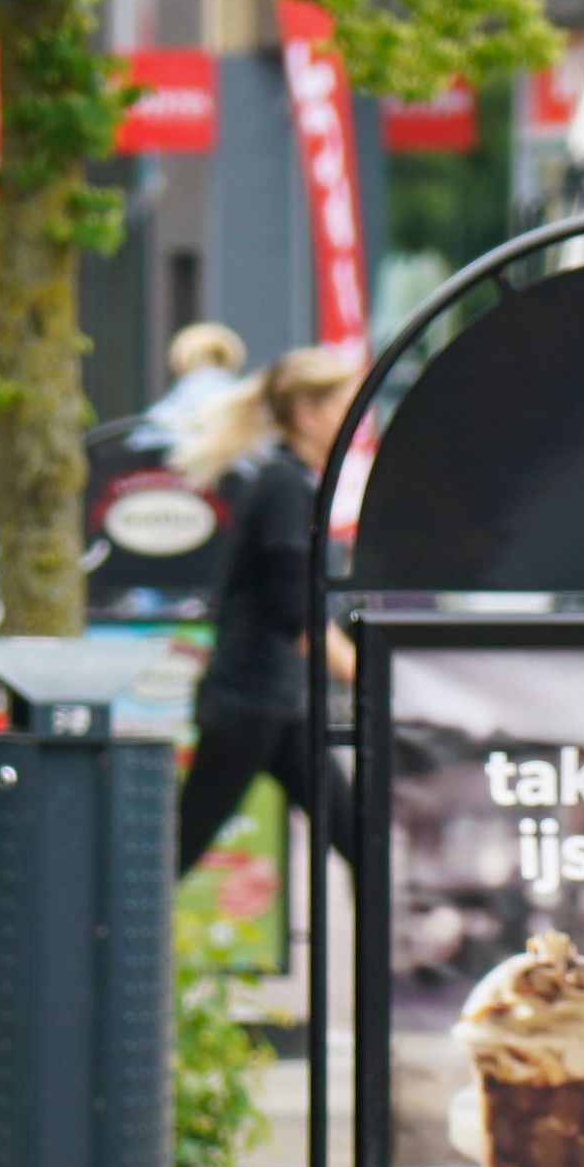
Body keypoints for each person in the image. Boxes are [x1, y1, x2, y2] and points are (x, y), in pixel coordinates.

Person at [173, 344, 361, 881]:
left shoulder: (295, 483)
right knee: (180, 846)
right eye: (343, 408)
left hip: (279, 704)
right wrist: (357, 669)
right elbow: (293, 604)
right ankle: (110, 926)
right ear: (306, 414)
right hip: (250, 701)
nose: (353, 423)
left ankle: (391, 937)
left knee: (357, 835)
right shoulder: (283, 487)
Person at [133, 320, 251, 463]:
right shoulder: (251, 412)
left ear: (180, 363)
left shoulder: (160, 414)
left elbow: (136, 454)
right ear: (233, 360)